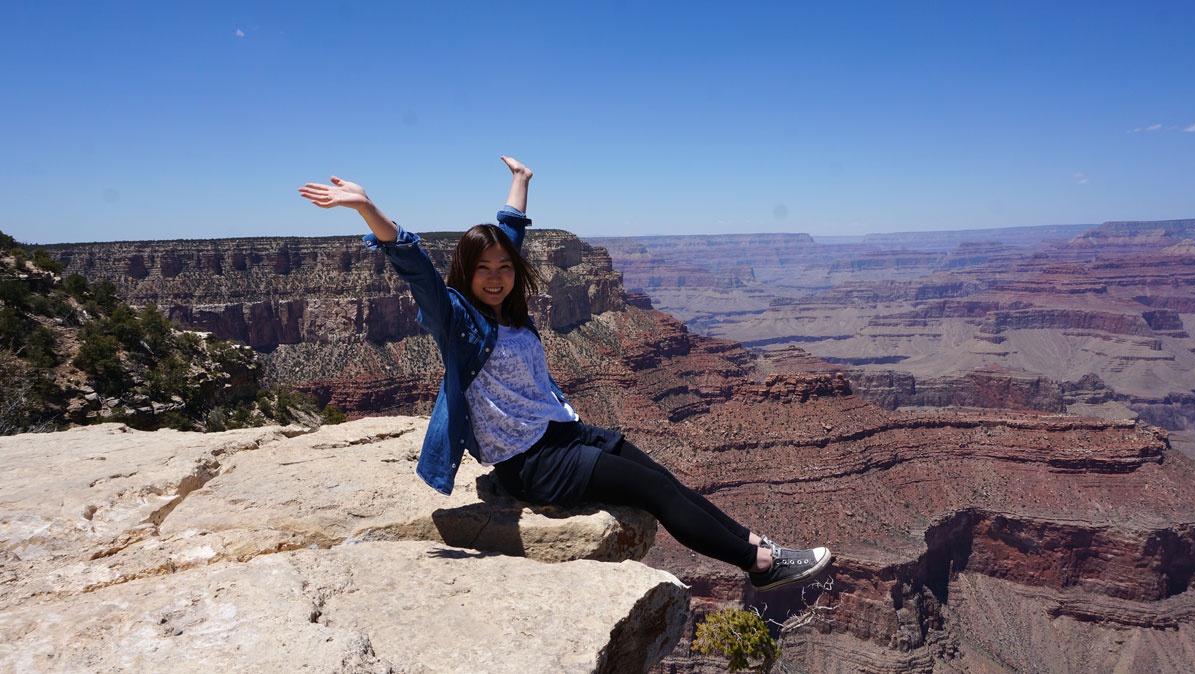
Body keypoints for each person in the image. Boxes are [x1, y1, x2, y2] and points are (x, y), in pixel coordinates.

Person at [298, 157, 832, 591]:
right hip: (531, 462)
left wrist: (519, 182)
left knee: (665, 477)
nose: (496, 277)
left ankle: (759, 543)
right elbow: (415, 266)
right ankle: (757, 566)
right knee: (654, 494)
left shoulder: (510, 307)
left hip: (563, 429)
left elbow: (510, 233)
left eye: (504, 268)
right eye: (482, 269)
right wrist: (368, 208)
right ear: (465, 272)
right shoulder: (456, 319)